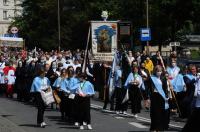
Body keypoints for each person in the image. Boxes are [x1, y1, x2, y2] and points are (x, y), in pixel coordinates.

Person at [149, 65, 170, 131]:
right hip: (154, 96)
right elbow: (149, 88)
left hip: (162, 97)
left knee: (161, 113)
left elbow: (165, 88)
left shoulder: (163, 78)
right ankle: (154, 128)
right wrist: (148, 97)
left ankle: (160, 128)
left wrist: (166, 96)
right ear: (155, 71)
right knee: (155, 113)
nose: (159, 72)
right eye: (158, 71)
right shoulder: (151, 78)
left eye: (160, 71)